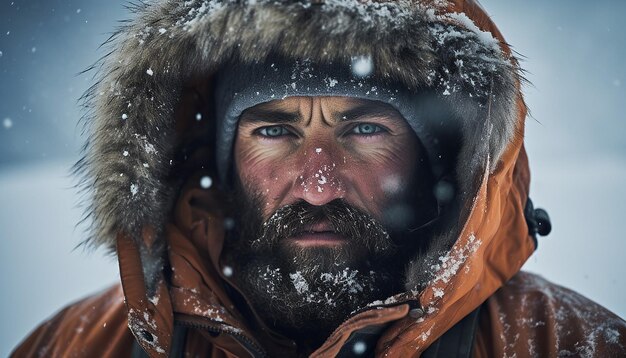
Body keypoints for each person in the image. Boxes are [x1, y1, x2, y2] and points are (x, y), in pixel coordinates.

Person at [12, 0, 626, 357]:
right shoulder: (82, 344)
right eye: (275, 131)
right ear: (217, 161)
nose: (318, 185)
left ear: (437, 158)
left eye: (362, 131)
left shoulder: (564, 343)